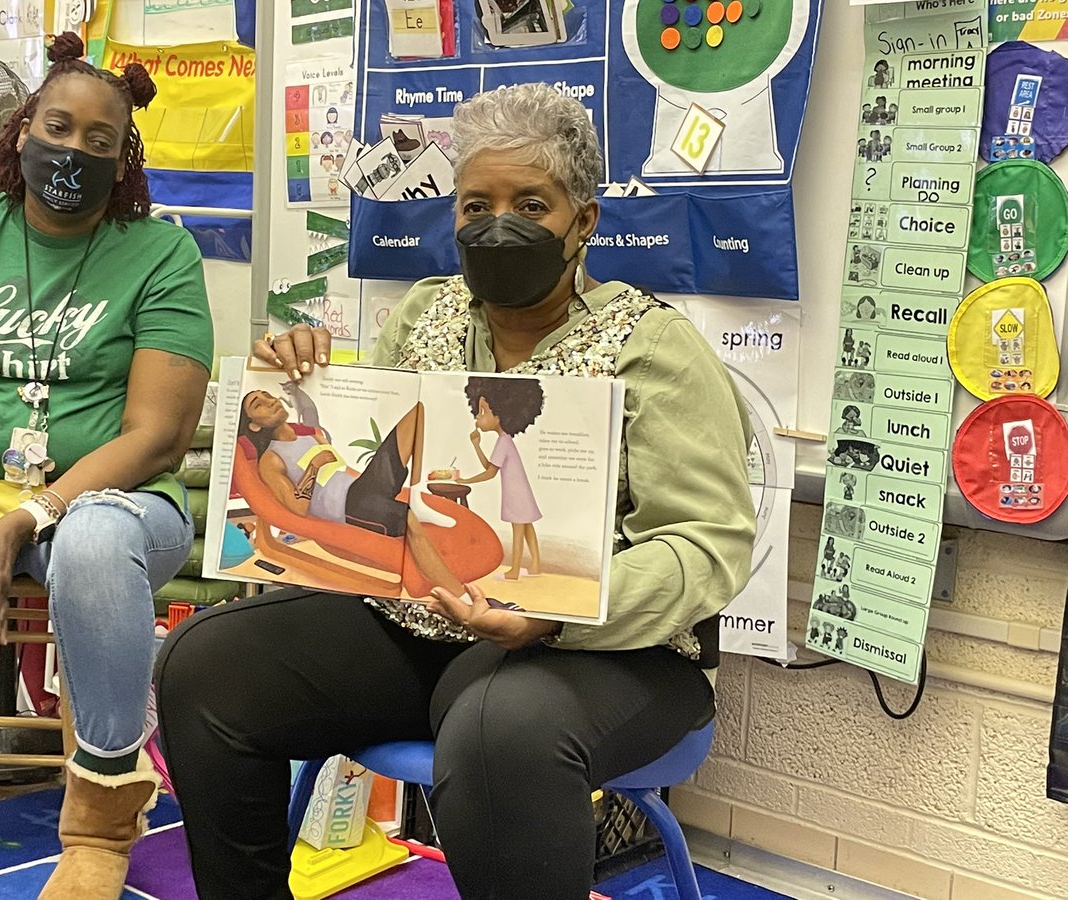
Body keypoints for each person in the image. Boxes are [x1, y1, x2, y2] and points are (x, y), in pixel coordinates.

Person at [154, 82, 755, 900]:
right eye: (476, 205)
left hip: (617, 656)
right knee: (208, 663)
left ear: (584, 221)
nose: (497, 226)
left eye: (531, 204)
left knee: (495, 725)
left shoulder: (654, 348)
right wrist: (306, 375)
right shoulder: (425, 315)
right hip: (428, 623)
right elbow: (378, 473)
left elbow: (707, 544)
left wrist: (559, 611)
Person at [0, 33, 212, 900]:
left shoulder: (163, 254)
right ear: (21, 131)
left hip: (116, 501)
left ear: (124, 157)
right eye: (58, 127)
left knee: (94, 543)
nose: (75, 151)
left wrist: (39, 510)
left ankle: (98, 833)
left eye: (102, 141)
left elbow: (157, 437)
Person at [237, 390, 463, 590]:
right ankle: (460, 596)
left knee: (416, 413)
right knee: (409, 519)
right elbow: (297, 508)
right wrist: (313, 467)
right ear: (254, 425)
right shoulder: (271, 459)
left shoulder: (312, 436)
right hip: (348, 506)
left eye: (267, 395)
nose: (270, 401)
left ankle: (416, 497)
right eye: (258, 404)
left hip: (360, 486)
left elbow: (339, 470)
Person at [456, 376, 544, 579]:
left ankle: (514, 570)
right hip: (521, 491)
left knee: (519, 529)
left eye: (483, 411)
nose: (478, 418)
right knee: (527, 525)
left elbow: (489, 473)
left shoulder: (503, 443)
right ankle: (536, 565)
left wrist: (465, 481)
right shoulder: (505, 441)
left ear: (501, 414)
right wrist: (476, 445)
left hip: (515, 494)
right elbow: (490, 466)